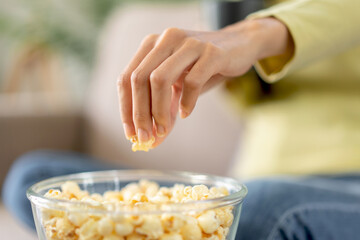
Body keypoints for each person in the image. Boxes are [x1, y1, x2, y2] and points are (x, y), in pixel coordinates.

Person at [3, 0, 360, 239]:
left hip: (346, 177)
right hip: (255, 176)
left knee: (261, 210)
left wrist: (254, 36)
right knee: (33, 178)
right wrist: (215, 70)